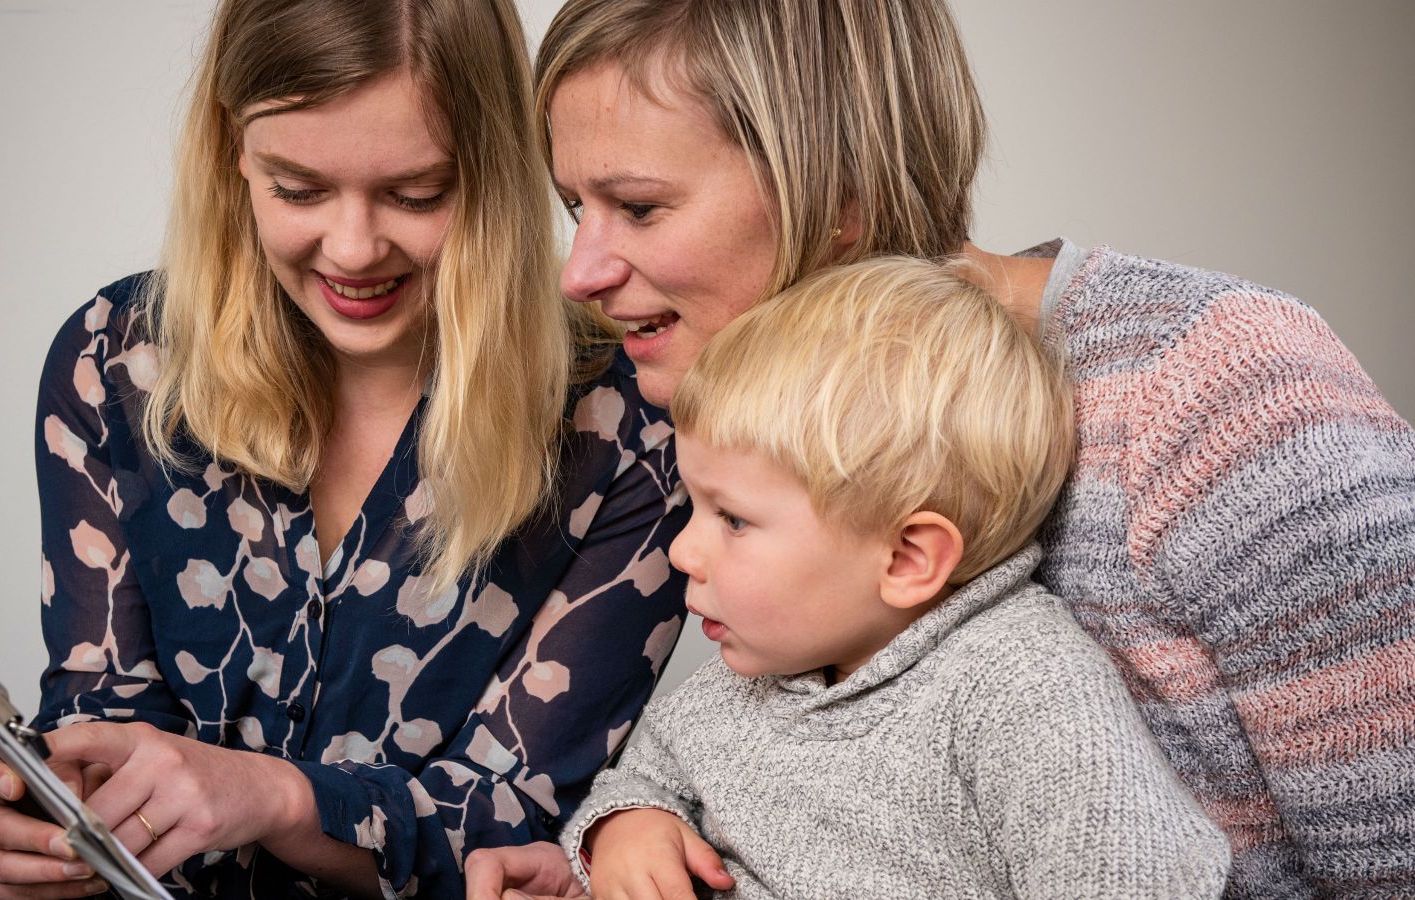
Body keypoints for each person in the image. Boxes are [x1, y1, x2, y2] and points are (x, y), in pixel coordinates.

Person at [465, 0, 1415, 896]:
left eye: (637, 207)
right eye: (573, 207)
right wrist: (615, 848)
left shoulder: (1218, 392)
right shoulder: (737, 416)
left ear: (840, 194)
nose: (582, 272)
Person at [0, 1, 688, 898]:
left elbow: (511, 826)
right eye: (298, 189)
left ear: (498, 171)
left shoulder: (630, 424)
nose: (353, 249)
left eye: (416, 194)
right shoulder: (115, 357)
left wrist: (276, 797)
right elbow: (100, 707)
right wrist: (40, 819)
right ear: (232, 151)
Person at [565, 257, 1232, 898]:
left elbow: (1135, 880)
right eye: (695, 508)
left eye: (732, 520)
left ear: (909, 558)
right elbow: (642, 777)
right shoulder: (742, 677)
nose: (683, 552)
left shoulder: (1024, 689)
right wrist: (627, 825)